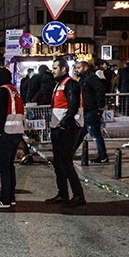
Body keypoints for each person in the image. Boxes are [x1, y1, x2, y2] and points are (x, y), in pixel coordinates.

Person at [45, 57, 86, 208]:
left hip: (68, 129)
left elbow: (73, 105)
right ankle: (62, 194)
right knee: (59, 162)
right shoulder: (59, 85)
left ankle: (78, 195)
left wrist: (64, 124)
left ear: (63, 69)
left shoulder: (70, 84)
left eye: (55, 68)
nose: (52, 70)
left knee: (66, 162)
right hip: (59, 128)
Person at [0, 67, 24, 209]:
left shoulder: (2, 91)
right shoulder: (13, 90)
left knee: (3, 167)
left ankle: (5, 199)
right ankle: (11, 197)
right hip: (16, 132)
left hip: (6, 133)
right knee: (9, 166)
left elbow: (1, 113)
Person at [73, 61, 108, 164]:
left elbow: (100, 90)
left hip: (91, 110)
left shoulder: (91, 78)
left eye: (78, 68)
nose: (77, 70)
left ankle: (103, 156)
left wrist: (100, 106)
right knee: (80, 133)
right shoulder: (84, 78)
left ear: (85, 67)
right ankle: (70, 153)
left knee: (95, 134)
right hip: (86, 110)